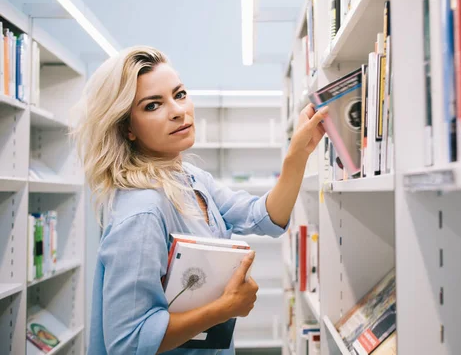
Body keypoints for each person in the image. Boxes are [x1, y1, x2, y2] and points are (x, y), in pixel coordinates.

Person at [71, 46, 328, 355]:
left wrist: (298, 154)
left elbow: (265, 217)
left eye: (179, 94)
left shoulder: (192, 179)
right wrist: (225, 308)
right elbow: (129, 342)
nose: (178, 110)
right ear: (127, 128)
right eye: (153, 105)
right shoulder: (142, 211)